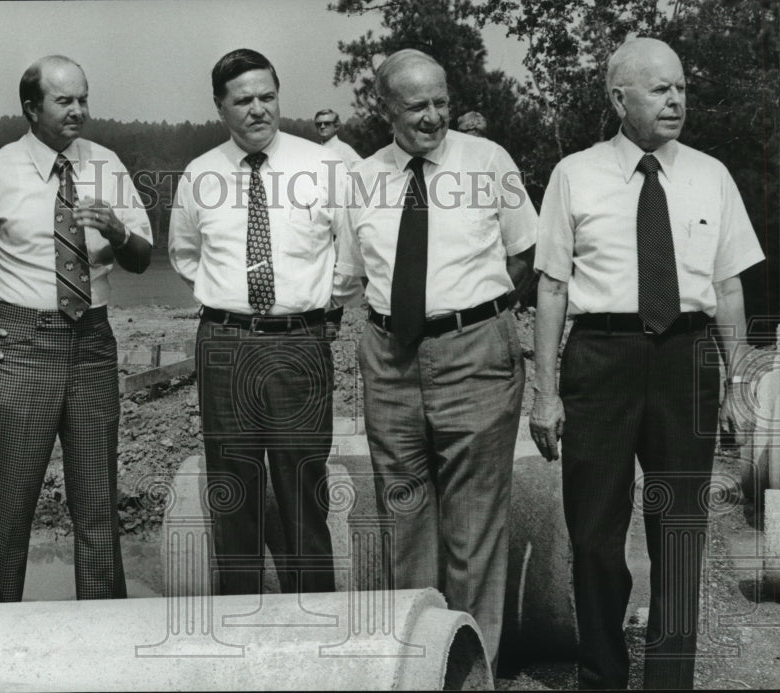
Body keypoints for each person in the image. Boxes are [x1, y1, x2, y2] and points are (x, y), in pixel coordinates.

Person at [530, 37, 765, 690]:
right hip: (600, 360)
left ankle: (670, 677)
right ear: (618, 97)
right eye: (661, 88)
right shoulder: (574, 175)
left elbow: (727, 288)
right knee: (597, 536)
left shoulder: (710, 175)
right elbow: (551, 287)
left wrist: (737, 381)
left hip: (685, 360)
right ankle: (602, 672)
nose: (676, 100)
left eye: (682, 88)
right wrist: (545, 392)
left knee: (680, 531)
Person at [333, 48, 537, 670]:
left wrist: (473, 317)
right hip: (390, 358)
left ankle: (471, 674)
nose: (433, 117)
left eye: (441, 101)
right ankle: (417, 669)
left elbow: (524, 254)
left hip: (475, 352)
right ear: (386, 109)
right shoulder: (362, 178)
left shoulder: (489, 161)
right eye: (416, 105)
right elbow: (354, 275)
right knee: (405, 518)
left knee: (474, 530)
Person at [0, 55, 153, 602]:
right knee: (9, 507)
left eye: (84, 99)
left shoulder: (107, 164)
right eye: (65, 101)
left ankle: (103, 635)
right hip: (20, 347)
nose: (79, 111)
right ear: (31, 107)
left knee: (97, 508)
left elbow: (141, 257)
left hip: (93, 341)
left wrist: (116, 229)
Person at [169, 49, 350, 596]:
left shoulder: (324, 167)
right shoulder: (200, 174)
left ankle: (317, 628)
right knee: (233, 495)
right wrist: (234, 302)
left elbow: (352, 256)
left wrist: (315, 306)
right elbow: (185, 255)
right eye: (242, 100)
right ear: (220, 106)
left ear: (279, 96)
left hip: (299, 344)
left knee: (303, 495)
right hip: (224, 344)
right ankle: (241, 634)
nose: (257, 110)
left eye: (266, 97)